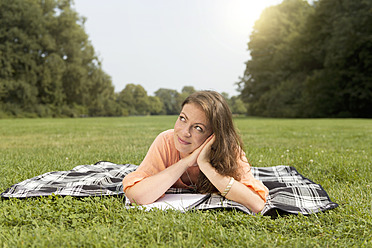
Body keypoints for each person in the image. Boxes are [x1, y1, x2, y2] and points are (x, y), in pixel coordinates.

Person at [123, 90, 268, 213]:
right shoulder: (166, 142)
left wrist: (205, 165)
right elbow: (137, 197)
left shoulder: (229, 151)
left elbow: (256, 204)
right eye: (182, 119)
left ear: (214, 136)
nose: (184, 132)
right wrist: (185, 162)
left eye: (198, 128)